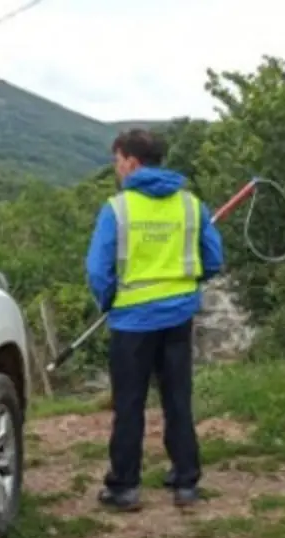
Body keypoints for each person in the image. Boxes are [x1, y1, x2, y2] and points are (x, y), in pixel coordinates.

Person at [85, 129, 223, 510]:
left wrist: (108, 300)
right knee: (178, 398)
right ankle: (186, 481)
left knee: (130, 404)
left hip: (131, 323)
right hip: (178, 318)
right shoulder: (192, 205)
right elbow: (212, 259)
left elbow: (98, 270)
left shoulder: (117, 209)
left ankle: (124, 487)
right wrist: (184, 288)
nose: (116, 169)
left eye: (117, 161)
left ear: (131, 161)